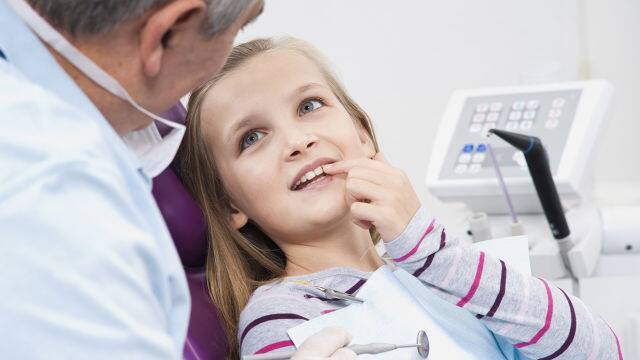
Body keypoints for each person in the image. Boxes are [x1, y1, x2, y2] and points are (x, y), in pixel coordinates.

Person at [179, 37, 624, 359]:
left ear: (363, 134)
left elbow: (602, 351)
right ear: (229, 206)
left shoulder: (446, 272)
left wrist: (434, 253)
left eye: (310, 106)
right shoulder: (281, 318)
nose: (298, 141)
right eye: (252, 137)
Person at [0, 1, 353, 358]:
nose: (298, 142)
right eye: (240, 29)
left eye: (309, 107)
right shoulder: (42, 191)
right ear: (169, 32)